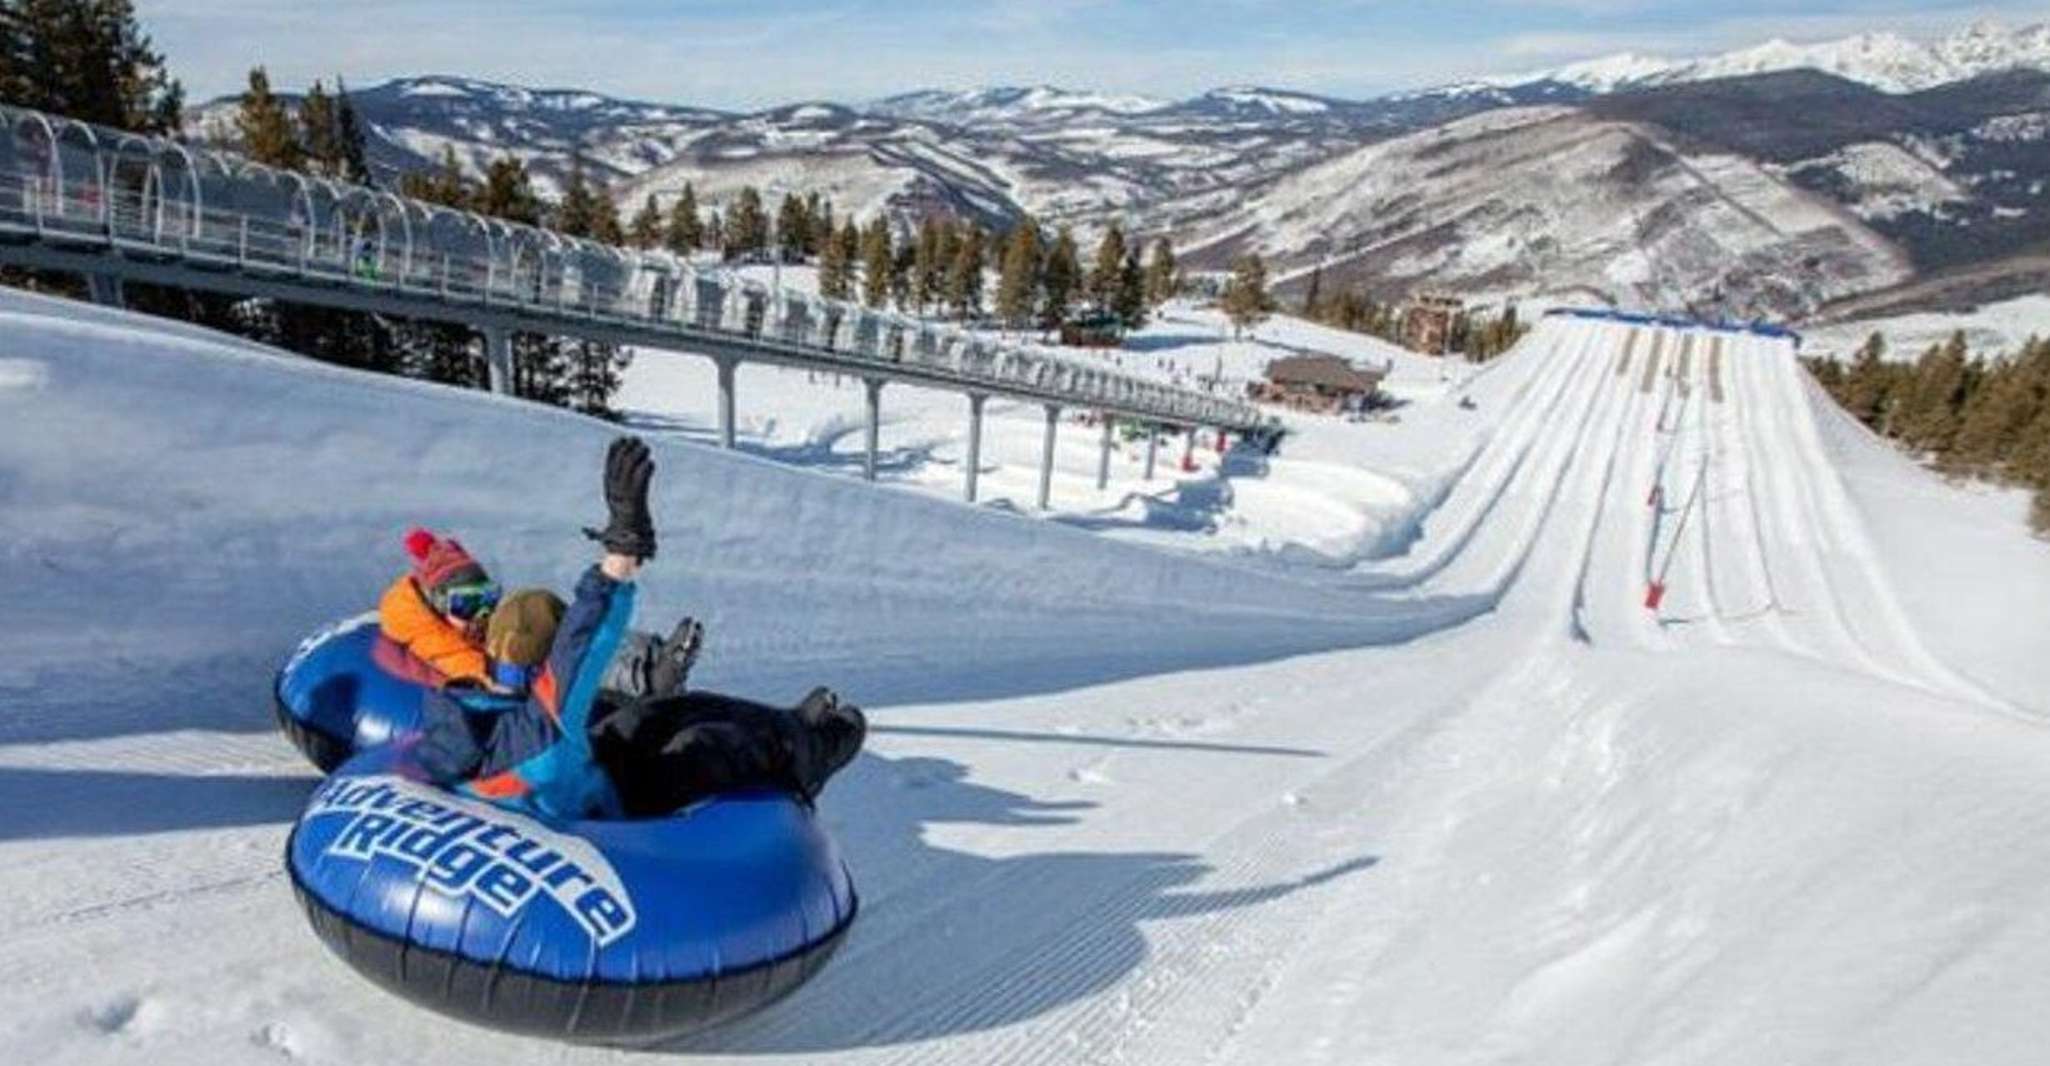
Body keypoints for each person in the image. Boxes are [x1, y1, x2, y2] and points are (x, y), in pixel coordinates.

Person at [413, 436, 865, 820]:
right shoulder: (532, 732)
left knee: (662, 711)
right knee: (706, 747)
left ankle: (781, 719)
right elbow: (579, 650)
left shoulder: (458, 713)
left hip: (576, 764)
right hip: (607, 805)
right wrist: (618, 558)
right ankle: (818, 749)